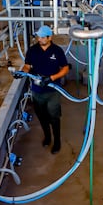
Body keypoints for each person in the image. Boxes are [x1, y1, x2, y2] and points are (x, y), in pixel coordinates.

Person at [21, 25, 69, 154]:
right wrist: (22, 72)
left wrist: (52, 78)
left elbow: (65, 68)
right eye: (38, 36)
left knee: (54, 117)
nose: (40, 39)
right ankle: (47, 137)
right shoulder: (32, 50)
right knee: (42, 116)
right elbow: (27, 66)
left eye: (43, 37)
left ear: (50, 37)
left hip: (53, 91)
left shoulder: (57, 51)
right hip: (37, 90)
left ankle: (57, 141)